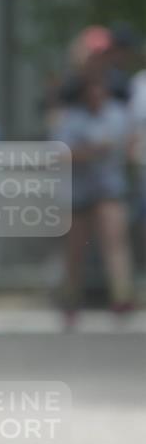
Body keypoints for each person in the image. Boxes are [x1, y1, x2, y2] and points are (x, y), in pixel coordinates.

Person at [52, 68, 134, 324]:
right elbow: (61, 152)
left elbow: (129, 145)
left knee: (115, 245)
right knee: (75, 251)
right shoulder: (72, 119)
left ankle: (122, 299)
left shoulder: (117, 115)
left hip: (109, 190)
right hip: (80, 192)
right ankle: (71, 300)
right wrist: (91, 152)